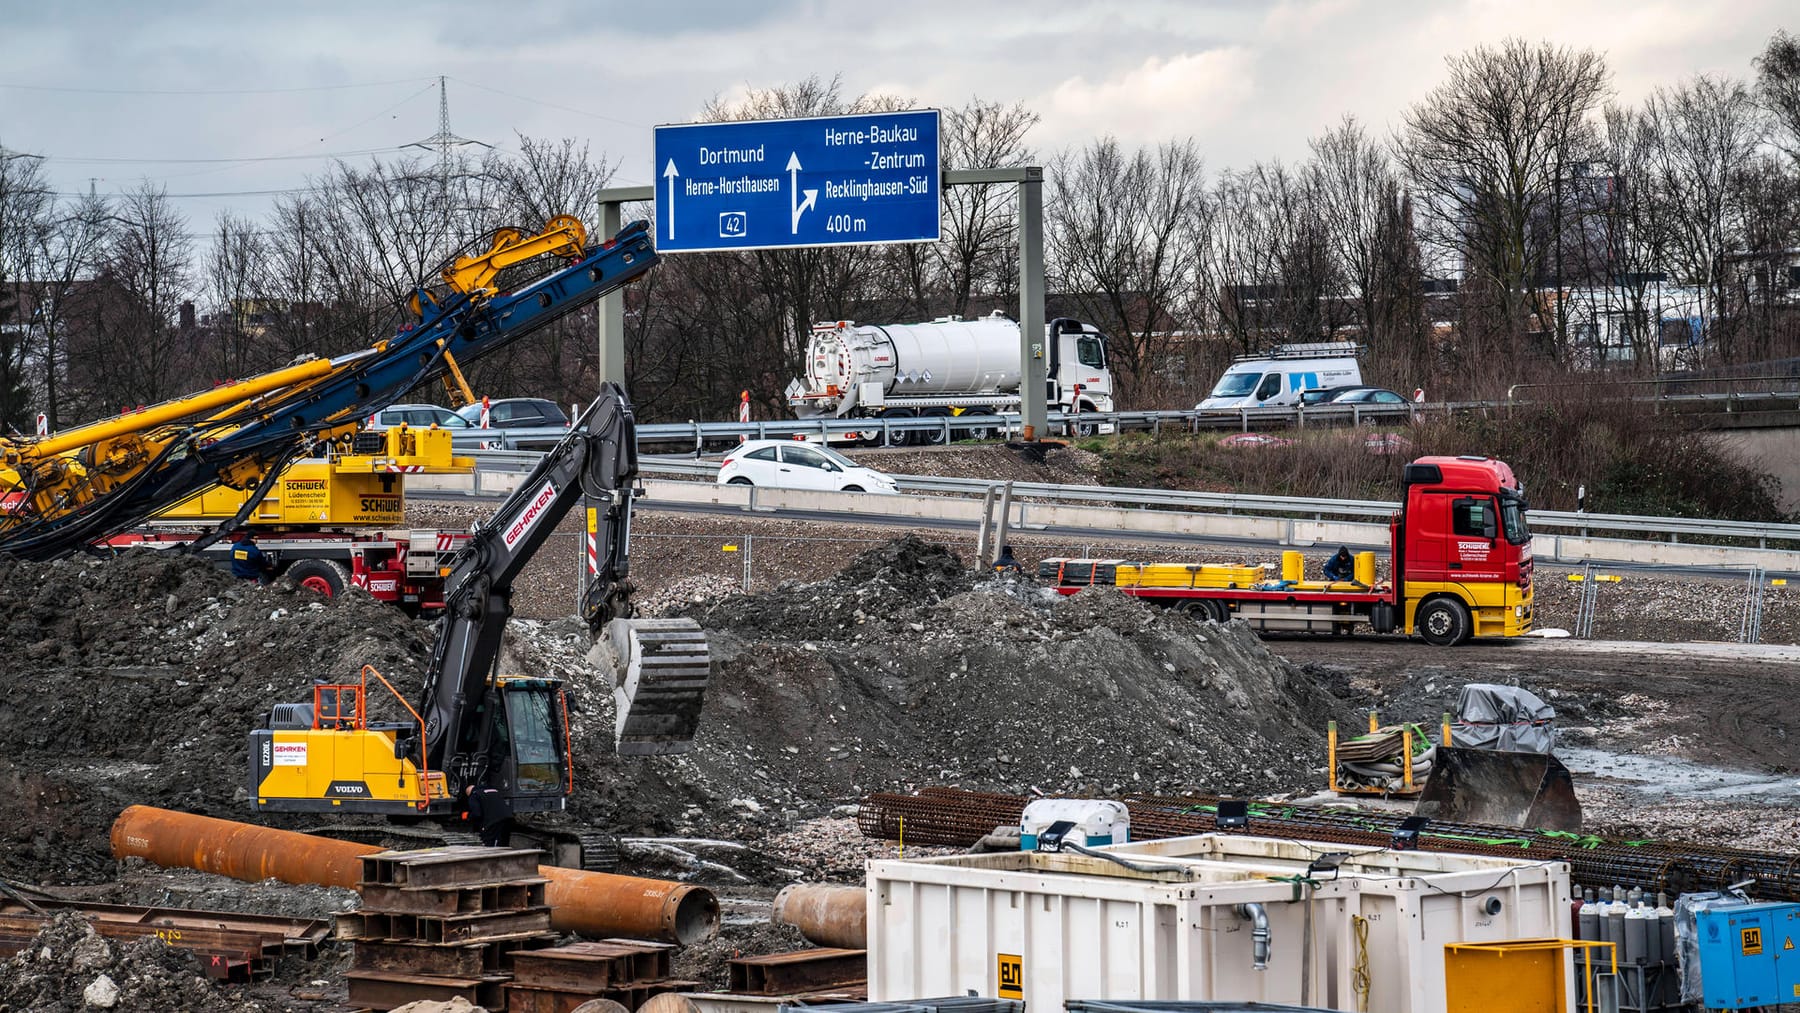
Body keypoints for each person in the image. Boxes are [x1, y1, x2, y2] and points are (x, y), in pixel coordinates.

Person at [463, 783, 514, 848]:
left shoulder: (474, 795)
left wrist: (468, 816)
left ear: (468, 793)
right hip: (508, 819)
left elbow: (477, 814)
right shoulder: (494, 791)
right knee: (503, 844)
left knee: (492, 846)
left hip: (493, 822)